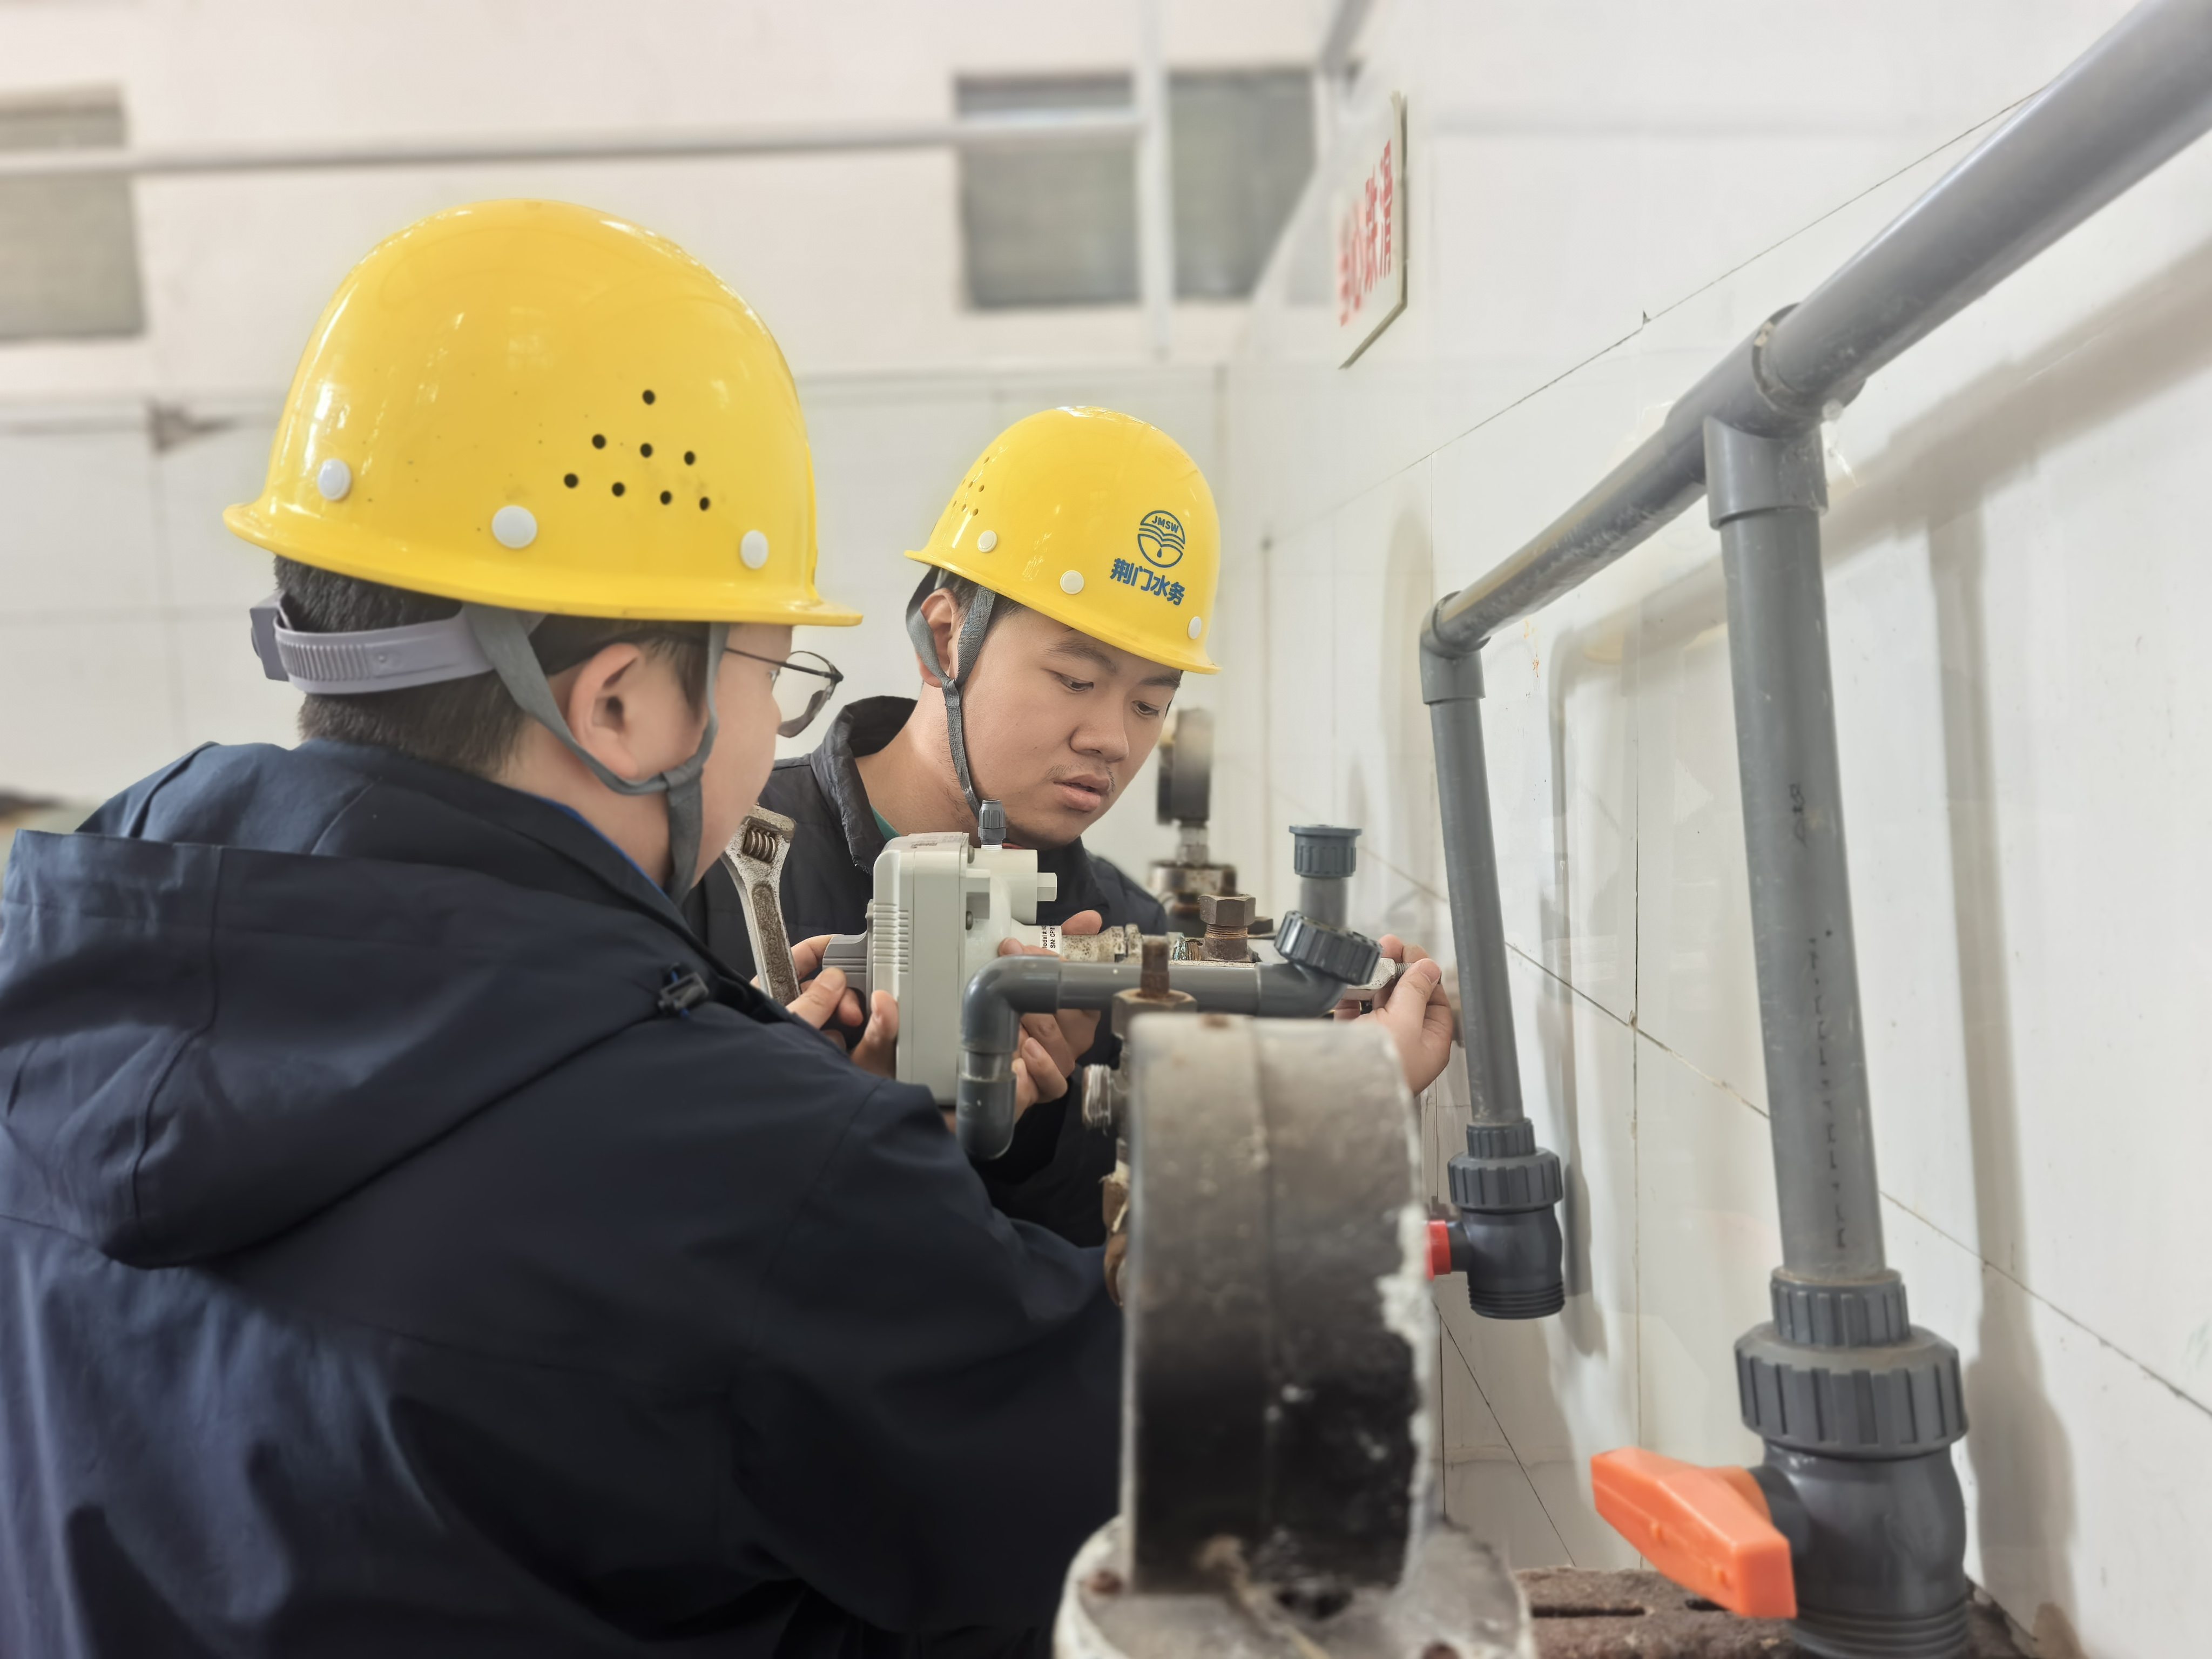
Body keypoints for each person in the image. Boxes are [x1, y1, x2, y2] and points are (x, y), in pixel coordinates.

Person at [0, 200, 1118, 1658]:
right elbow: (1136, 1522)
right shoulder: (761, 1174)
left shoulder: (60, 989)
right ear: (621, 702)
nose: (769, 725)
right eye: (769, 671)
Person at [685, 408, 1456, 1244]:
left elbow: (1115, 1259)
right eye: (1076, 680)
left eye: (1150, 704)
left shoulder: (1130, 937)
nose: (1114, 740)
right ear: (946, 639)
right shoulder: (723, 860)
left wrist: (1043, 1133)